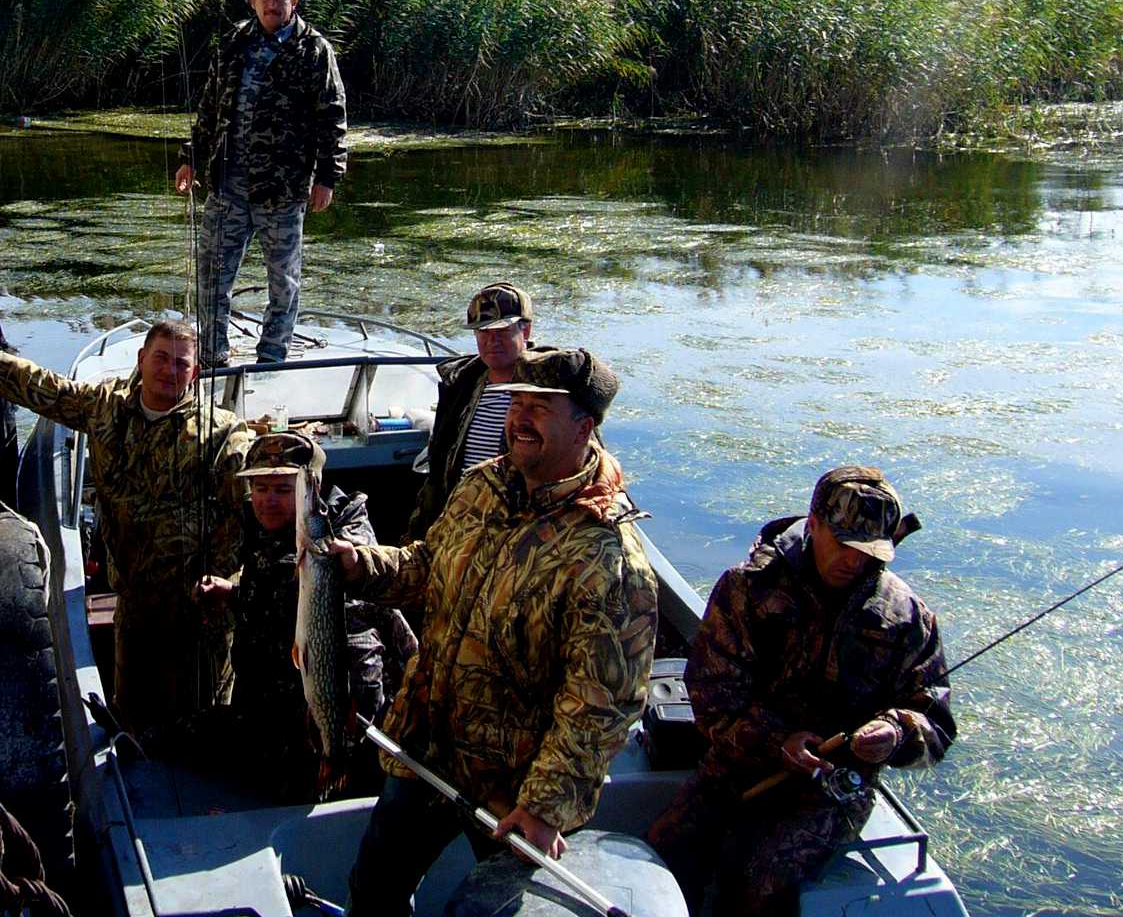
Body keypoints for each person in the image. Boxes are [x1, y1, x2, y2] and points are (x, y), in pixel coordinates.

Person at [328, 351, 656, 917]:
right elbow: (429, 567)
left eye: (541, 408)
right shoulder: (483, 486)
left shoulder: (606, 557)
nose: (520, 418)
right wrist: (362, 567)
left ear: (584, 426)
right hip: (426, 746)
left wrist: (547, 806)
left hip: (514, 789)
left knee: (496, 909)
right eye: (517, 402)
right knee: (374, 889)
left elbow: (601, 705)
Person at [646, 465, 956, 917]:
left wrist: (895, 732)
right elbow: (712, 692)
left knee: (760, 876)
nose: (854, 558)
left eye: (868, 549)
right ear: (813, 525)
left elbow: (935, 719)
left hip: (832, 791)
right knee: (666, 852)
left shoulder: (905, 617)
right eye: (843, 542)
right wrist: (778, 743)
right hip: (736, 767)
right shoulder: (747, 589)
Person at [0, 319, 254, 734]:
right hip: (134, 602)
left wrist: (233, 584)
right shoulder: (105, 407)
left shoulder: (222, 432)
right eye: (160, 358)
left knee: (205, 727)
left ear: (194, 373)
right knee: (135, 717)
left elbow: (255, 501)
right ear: (141, 360)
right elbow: (37, 386)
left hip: (201, 613)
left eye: (181, 364)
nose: (169, 371)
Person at [195, 431, 406, 800]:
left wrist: (334, 557)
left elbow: (328, 585)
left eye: (283, 489)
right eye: (261, 488)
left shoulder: (344, 528)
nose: (268, 501)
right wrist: (233, 594)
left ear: (314, 489)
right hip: (269, 696)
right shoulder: (259, 526)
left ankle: (338, 769)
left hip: (332, 698)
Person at [174, 0, 347, 368]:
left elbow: (333, 118)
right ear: (254, 1)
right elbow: (210, 107)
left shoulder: (315, 49)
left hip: (283, 189)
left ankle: (272, 355)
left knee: (283, 281)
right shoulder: (234, 42)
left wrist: (327, 177)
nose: (272, 4)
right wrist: (191, 159)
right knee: (212, 276)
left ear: (293, 2)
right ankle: (214, 355)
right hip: (228, 183)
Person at [406, 282, 583, 540]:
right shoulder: (460, 385)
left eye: (502, 330)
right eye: (482, 332)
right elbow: (438, 474)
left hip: (516, 533)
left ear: (527, 329)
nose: (492, 340)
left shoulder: (555, 392)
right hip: (456, 524)